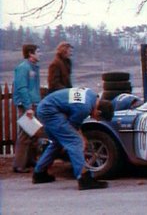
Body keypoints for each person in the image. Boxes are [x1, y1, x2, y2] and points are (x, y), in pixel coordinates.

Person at [32, 87, 113, 190]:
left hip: (47, 107)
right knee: (75, 142)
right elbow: (73, 127)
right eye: (98, 118)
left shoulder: (92, 95)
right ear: (99, 112)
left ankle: (39, 173)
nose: (94, 119)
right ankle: (84, 178)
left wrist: (82, 137)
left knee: (58, 142)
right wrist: (82, 139)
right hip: (50, 111)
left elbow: (73, 126)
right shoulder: (84, 108)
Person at [12, 44, 42, 173]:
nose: (40, 54)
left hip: (34, 102)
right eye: (38, 52)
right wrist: (28, 106)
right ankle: (18, 165)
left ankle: (30, 160)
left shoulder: (33, 68)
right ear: (31, 53)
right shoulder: (23, 68)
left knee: (33, 133)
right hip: (27, 104)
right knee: (25, 134)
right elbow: (22, 88)